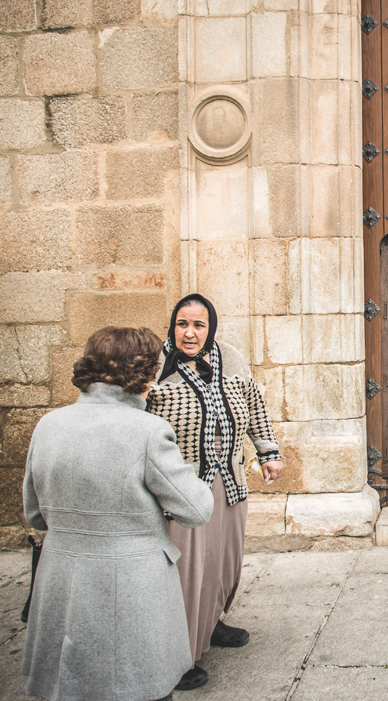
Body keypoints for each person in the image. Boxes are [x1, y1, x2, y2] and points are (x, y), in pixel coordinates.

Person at [21, 327, 215, 701]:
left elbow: (35, 513)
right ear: (144, 373)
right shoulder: (148, 431)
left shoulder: (49, 424)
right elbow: (196, 508)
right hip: (130, 584)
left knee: (70, 685)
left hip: (60, 579)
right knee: (138, 686)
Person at [146, 294, 283, 691]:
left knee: (225, 560)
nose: (190, 333)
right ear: (173, 325)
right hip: (183, 486)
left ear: (211, 327)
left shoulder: (231, 358)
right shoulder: (157, 365)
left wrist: (268, 451)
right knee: (190, 569)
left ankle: (211, 624)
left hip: (230, 479)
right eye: (182, 324)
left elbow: (254, 404)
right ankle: (179, 654)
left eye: (199, 325)